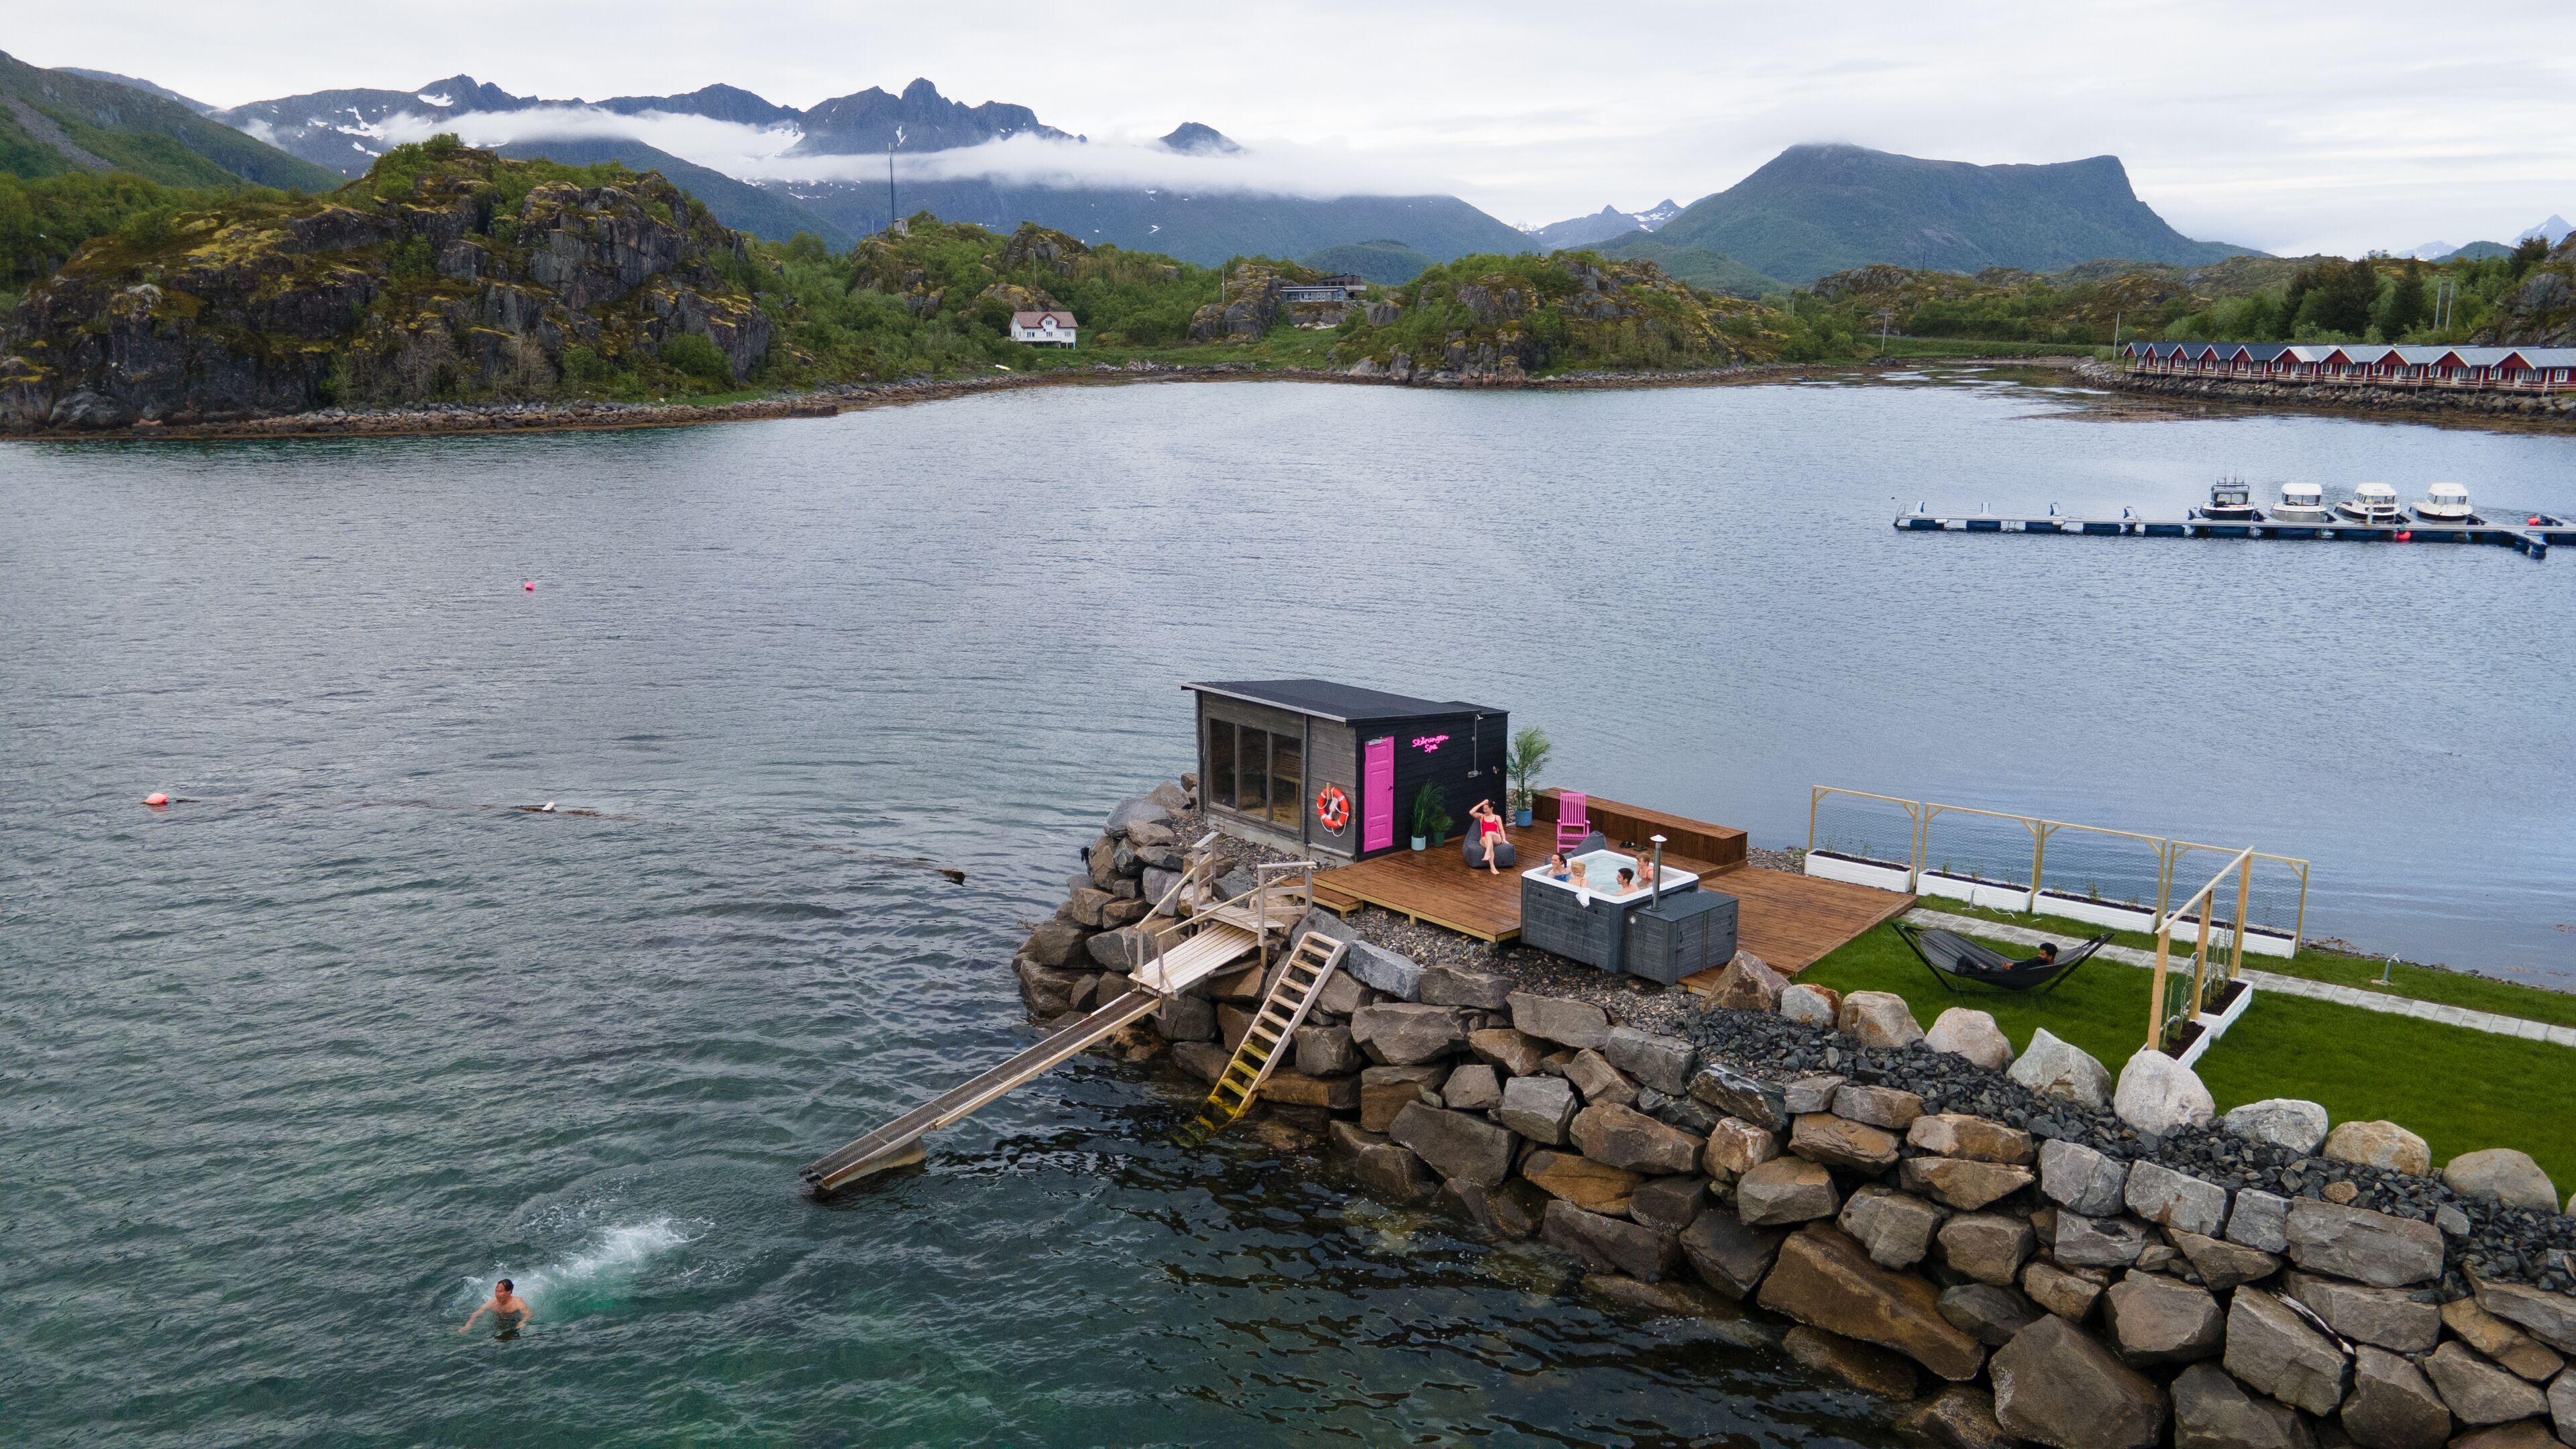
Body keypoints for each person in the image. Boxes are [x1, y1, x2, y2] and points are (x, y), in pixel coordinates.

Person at [459, 1279, 531, 1334]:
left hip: (514, 1320)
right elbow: (476, 1313)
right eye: (496, 1291)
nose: (497, 1294)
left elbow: (528, 1315)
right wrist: (468, 1325)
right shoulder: (493, 1303)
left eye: (500, 1291)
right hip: (498, 1321)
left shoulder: (517, 1303)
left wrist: (522, 1323)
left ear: (509, 1291)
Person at [1467, 799, 1507, 874]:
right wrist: (1481, 803)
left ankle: (1487, 853)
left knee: (1488, 833)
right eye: (1483, 809)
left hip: (1496, 837)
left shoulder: (1497, 817)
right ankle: (1492, 867)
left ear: (1491, 808)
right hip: (1484, 839)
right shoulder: (1481, 817)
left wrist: (1504, 839)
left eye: (1486, 809)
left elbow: (1501, 830)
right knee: (1489, 843)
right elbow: (1471, 812)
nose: (1484, 811)